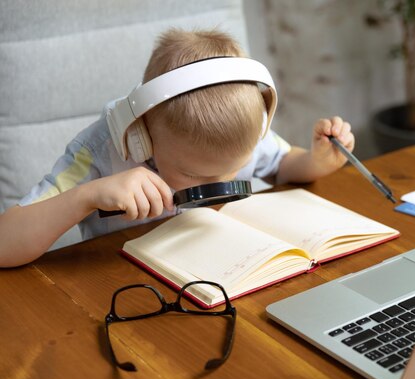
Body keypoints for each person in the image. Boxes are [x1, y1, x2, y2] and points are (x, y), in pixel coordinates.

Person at [0, 29, 355, 268]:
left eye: (236, 168)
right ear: (142, 134)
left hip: (221, 269)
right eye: (192, 174)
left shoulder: (240, 134)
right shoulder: (99, 151)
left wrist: (317, 161)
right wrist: (86, 197)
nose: (215, 187)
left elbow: (285, 165)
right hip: (126, 286)